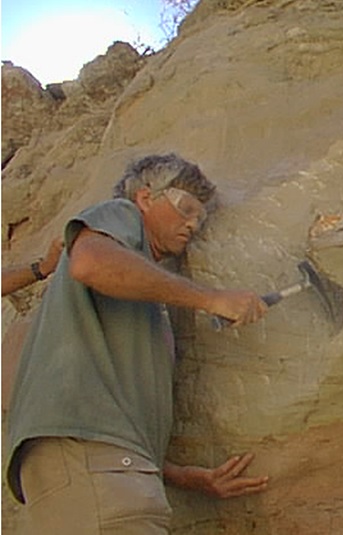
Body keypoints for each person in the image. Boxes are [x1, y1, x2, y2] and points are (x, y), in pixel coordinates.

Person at [5, 154, 271, 534]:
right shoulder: (119, 214)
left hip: (109, 471)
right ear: (146, 198)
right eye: (187, 208)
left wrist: (179, 476)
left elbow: (108, 410)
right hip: (91, 468)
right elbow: (90, 263)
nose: (193, 223)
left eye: (201, 217)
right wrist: (211, 298)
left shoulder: (139, 301)